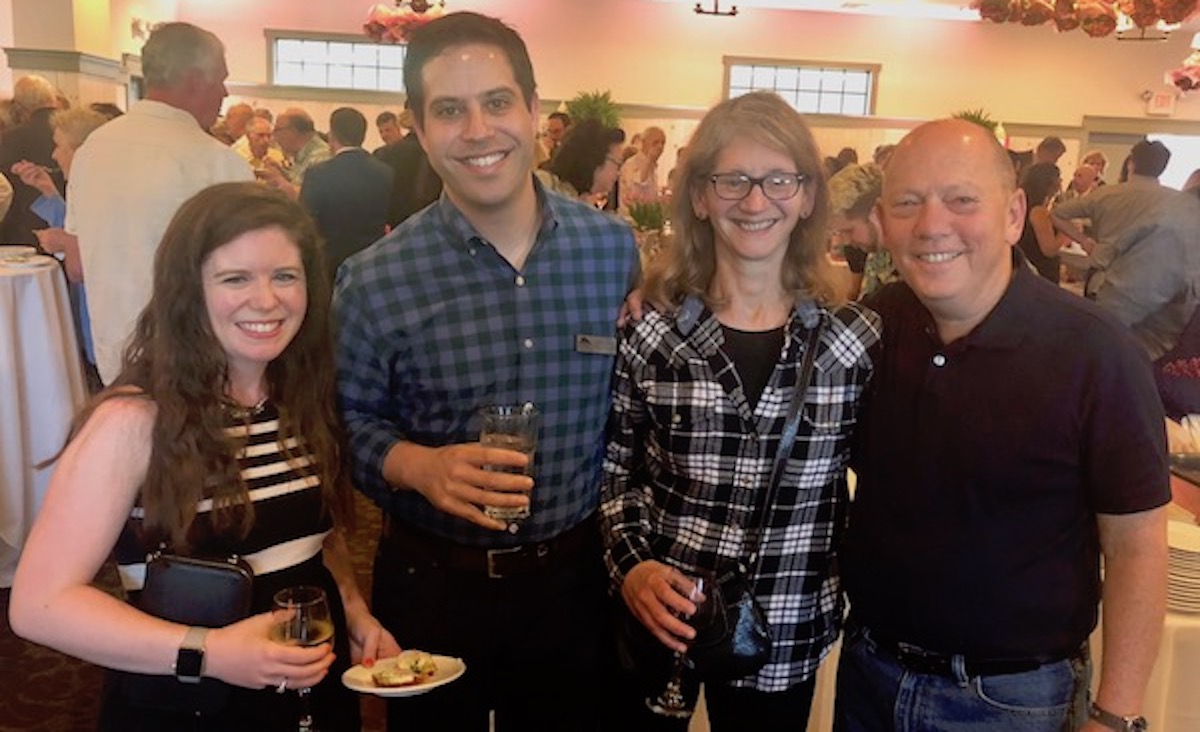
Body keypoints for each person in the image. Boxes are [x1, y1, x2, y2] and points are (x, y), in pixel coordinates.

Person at [333, 11, 638, 732]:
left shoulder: (613, 252)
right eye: (449, 110)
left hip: (574, 583)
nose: (478, 131)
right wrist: (416, 466)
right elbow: (344, 424)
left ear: (536, 112)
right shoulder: (374, 279)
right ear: (417, 125)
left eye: (497, 102)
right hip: (433, 584)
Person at [9, 181, 400, 731]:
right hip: (189, 703)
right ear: (189, 290)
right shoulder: (133, 421)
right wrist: (209, 651)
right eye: (235, 278)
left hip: (308, 690)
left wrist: (353, 611)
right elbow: (39, 606)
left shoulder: (298, 400)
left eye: (284, 276)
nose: (266, 300)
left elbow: (312, 534)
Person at [836, 119, 1169, 732]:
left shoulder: (1095, 352)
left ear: (1014, 214)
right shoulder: (874, 328)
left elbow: (1137, 546)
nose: (932, 225)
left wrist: (1115, 716)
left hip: (1014, 700)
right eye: (908, 203)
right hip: (868, 673)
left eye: (961, 200)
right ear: (882, 220)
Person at [601, 91, 880, 730]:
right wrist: (633, 566)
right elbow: (615, 474)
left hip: (784, 622)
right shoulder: (651, 334)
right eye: (733, 181)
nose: (756, 202)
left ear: (808, 196)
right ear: (699, 196)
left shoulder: (854, 340)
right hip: (660, 619)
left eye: (780, 180)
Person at [66, 22, 253, 385]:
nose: (225, 93)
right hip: (195, 364)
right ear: (196, 79)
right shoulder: (218, 161)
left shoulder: (91, 149)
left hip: (114, 361)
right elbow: (244, 277)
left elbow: (77, 267)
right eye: (221, 80)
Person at [1052, 139, 1200, 360]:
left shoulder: (1108, 194)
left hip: (1112, 290)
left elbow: (1058, 213)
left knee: (1098, 348)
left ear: (1131, 162)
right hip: (1151, 306)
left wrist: (1085, 241)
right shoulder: (1174, 203)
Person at [11, 107, 111, 380]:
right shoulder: (88, 184)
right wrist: (48, 191)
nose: (54, 155)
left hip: (103, 320)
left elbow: (89, 250)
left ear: (82, 151)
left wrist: (63, 241)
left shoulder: (100, 188)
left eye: (59, 146)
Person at [299, 107, 393, 284]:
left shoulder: (318, 174)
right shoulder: (385, 173)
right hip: (371, 263)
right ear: (363, 136)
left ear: (332, 135)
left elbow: (306, 222)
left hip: (328, 265)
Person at [0, 75, 64, 246]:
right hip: (74, 221)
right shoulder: (72, 130)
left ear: (21, 107)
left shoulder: (12, 138)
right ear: (53, 98)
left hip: (24, 228)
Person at [827, 163, 897, 300]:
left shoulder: (912, 259)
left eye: (849, 230)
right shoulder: (876, 254)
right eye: (839, 233)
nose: (845, 241)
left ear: (877, 213)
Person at [535, 118, 625, 207]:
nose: (618, 173)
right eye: (618, 164)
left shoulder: (580, 200)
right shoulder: (544, 186)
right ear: (596, 158)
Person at [263, 108, 331, 195]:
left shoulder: (321, 157)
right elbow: (298, 182)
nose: (274, 136)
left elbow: (310, 197)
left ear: (292, 131)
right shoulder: (302, 155)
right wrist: (281, 172)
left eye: (277, 130)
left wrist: (278, 179)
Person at [1016, 161, 1063, 283]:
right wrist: (1066, 232)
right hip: (1041, 271)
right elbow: (1049, 249)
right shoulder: (1038, 212)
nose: (1060, 183)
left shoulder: (1023, 207)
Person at [619, 126, 666, 210]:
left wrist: (660, 201)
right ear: (644, 143)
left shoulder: (653, 168)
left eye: (663, 143)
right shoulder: (631, 164)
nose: (660, 147)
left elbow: (648, 200)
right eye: (655, 143)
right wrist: (648, 162)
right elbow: (634, 195)